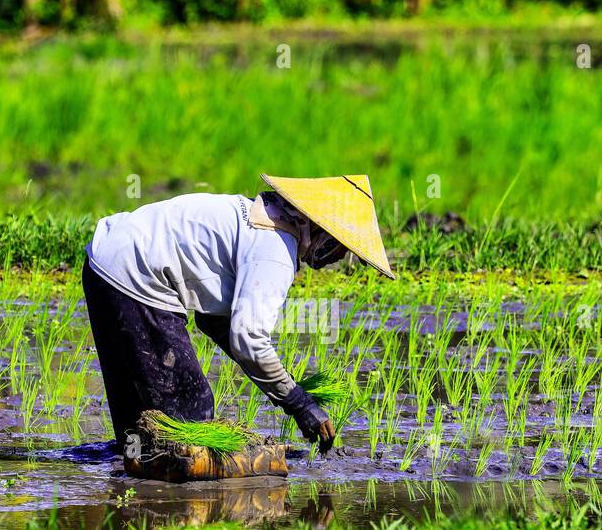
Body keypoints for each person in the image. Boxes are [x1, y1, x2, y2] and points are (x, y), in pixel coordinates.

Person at [81, 173, 395, 456]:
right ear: (321, 230)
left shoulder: (254, 217)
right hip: (135, 275)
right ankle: (173, 511)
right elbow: (249, 340)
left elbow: (215, 320)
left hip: (104, 261)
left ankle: (129, 496)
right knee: (191, 410)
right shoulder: (275, 251)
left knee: (136, 427)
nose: (336, 258)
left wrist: (278, 385)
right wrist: (299, 403)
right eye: (340, 248)